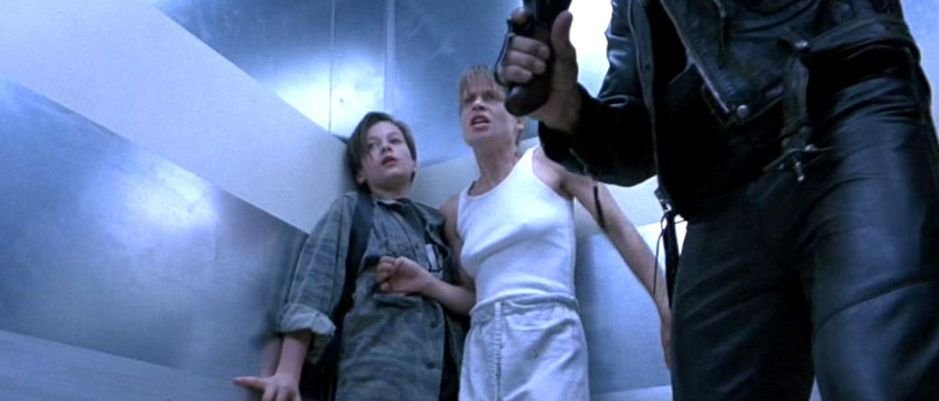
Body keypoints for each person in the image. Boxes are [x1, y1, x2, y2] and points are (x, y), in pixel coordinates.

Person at [497, 1, 939, 400]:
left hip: (840, 118)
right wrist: (567, 110)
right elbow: (635, 146)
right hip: (718, 197)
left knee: (878, 377)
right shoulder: (630, 10)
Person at [377, 66, 670, 401]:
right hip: (482, 345)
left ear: (518, 121)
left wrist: (665, 305)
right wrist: (426, 283)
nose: (477, 104)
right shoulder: (455, 210)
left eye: (490, 97)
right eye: (468, 100)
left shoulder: (552, 163)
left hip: (547, 334)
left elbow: (619, 228)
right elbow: (474, 296)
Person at [233, 111, 465, 401]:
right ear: (360, 173)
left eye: (395, 141)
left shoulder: (439, 225)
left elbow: (468, 300)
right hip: (375, 385)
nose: (385, 147)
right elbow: (313, 289)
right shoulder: (352, 210)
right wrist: (288, 373)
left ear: (414, 163)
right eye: (372, 146)